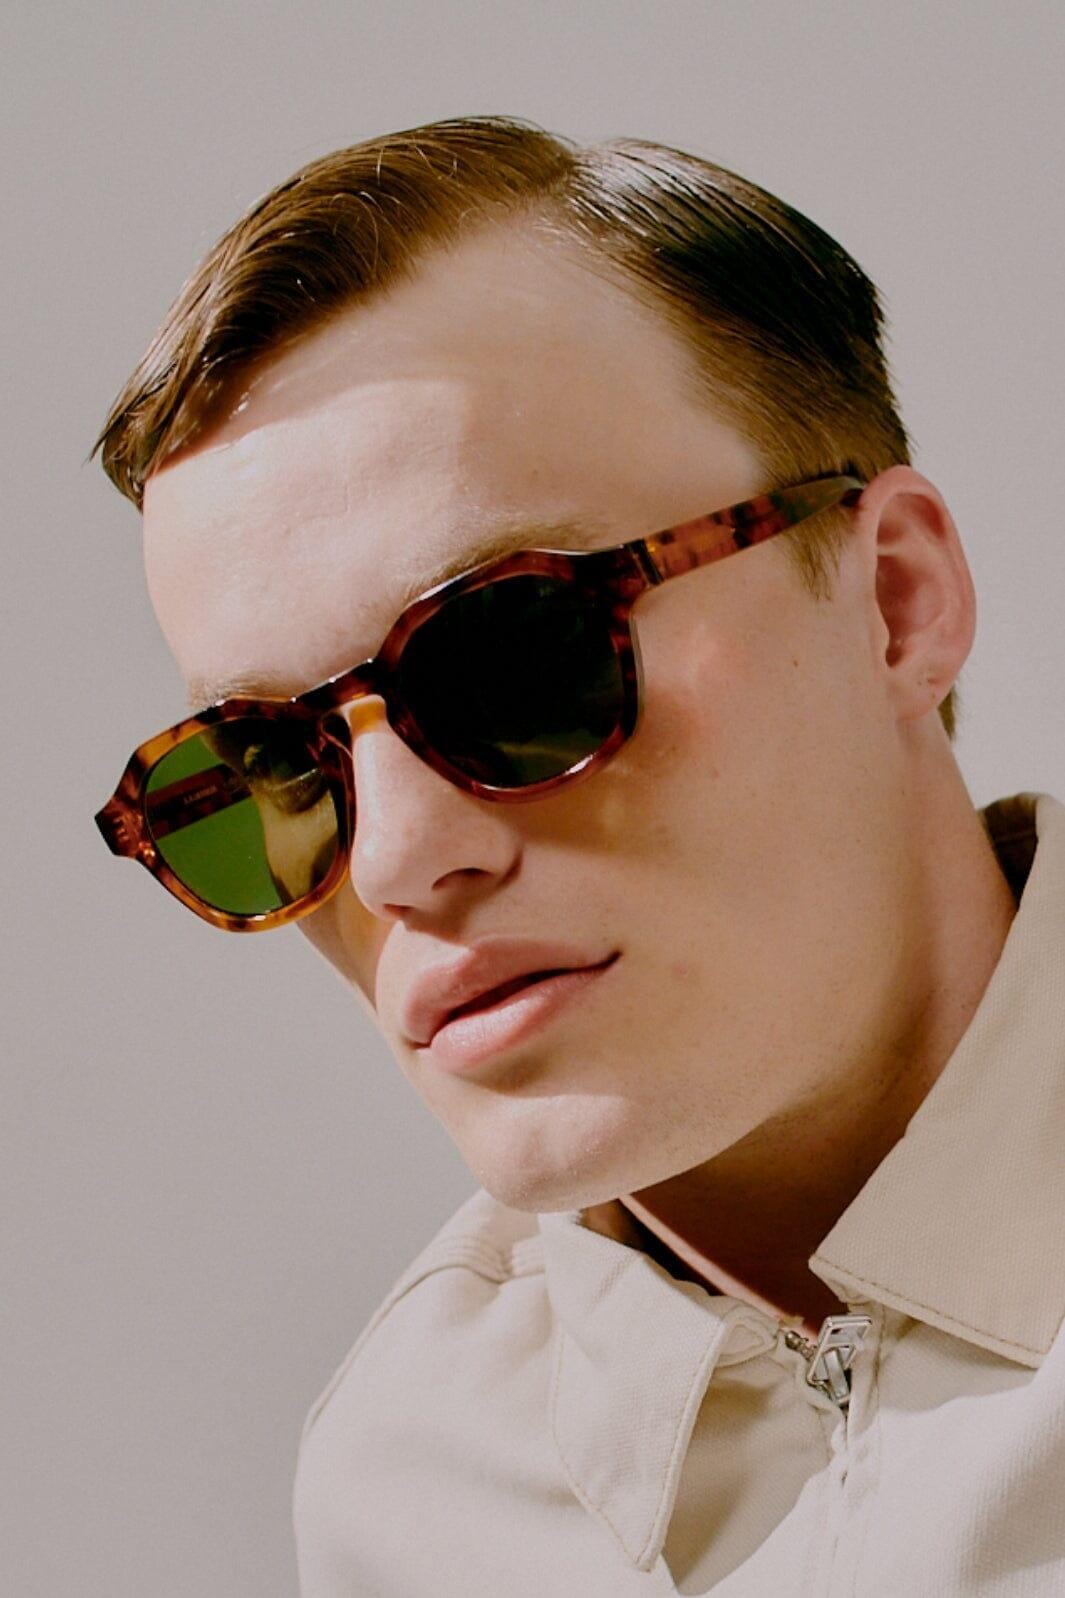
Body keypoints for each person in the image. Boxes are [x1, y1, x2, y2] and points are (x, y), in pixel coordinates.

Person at [90, 116, 1065, 1595]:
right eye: (266, 768)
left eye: (513, 655)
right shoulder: (408, 1491)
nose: (399, 860)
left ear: (894, 600)